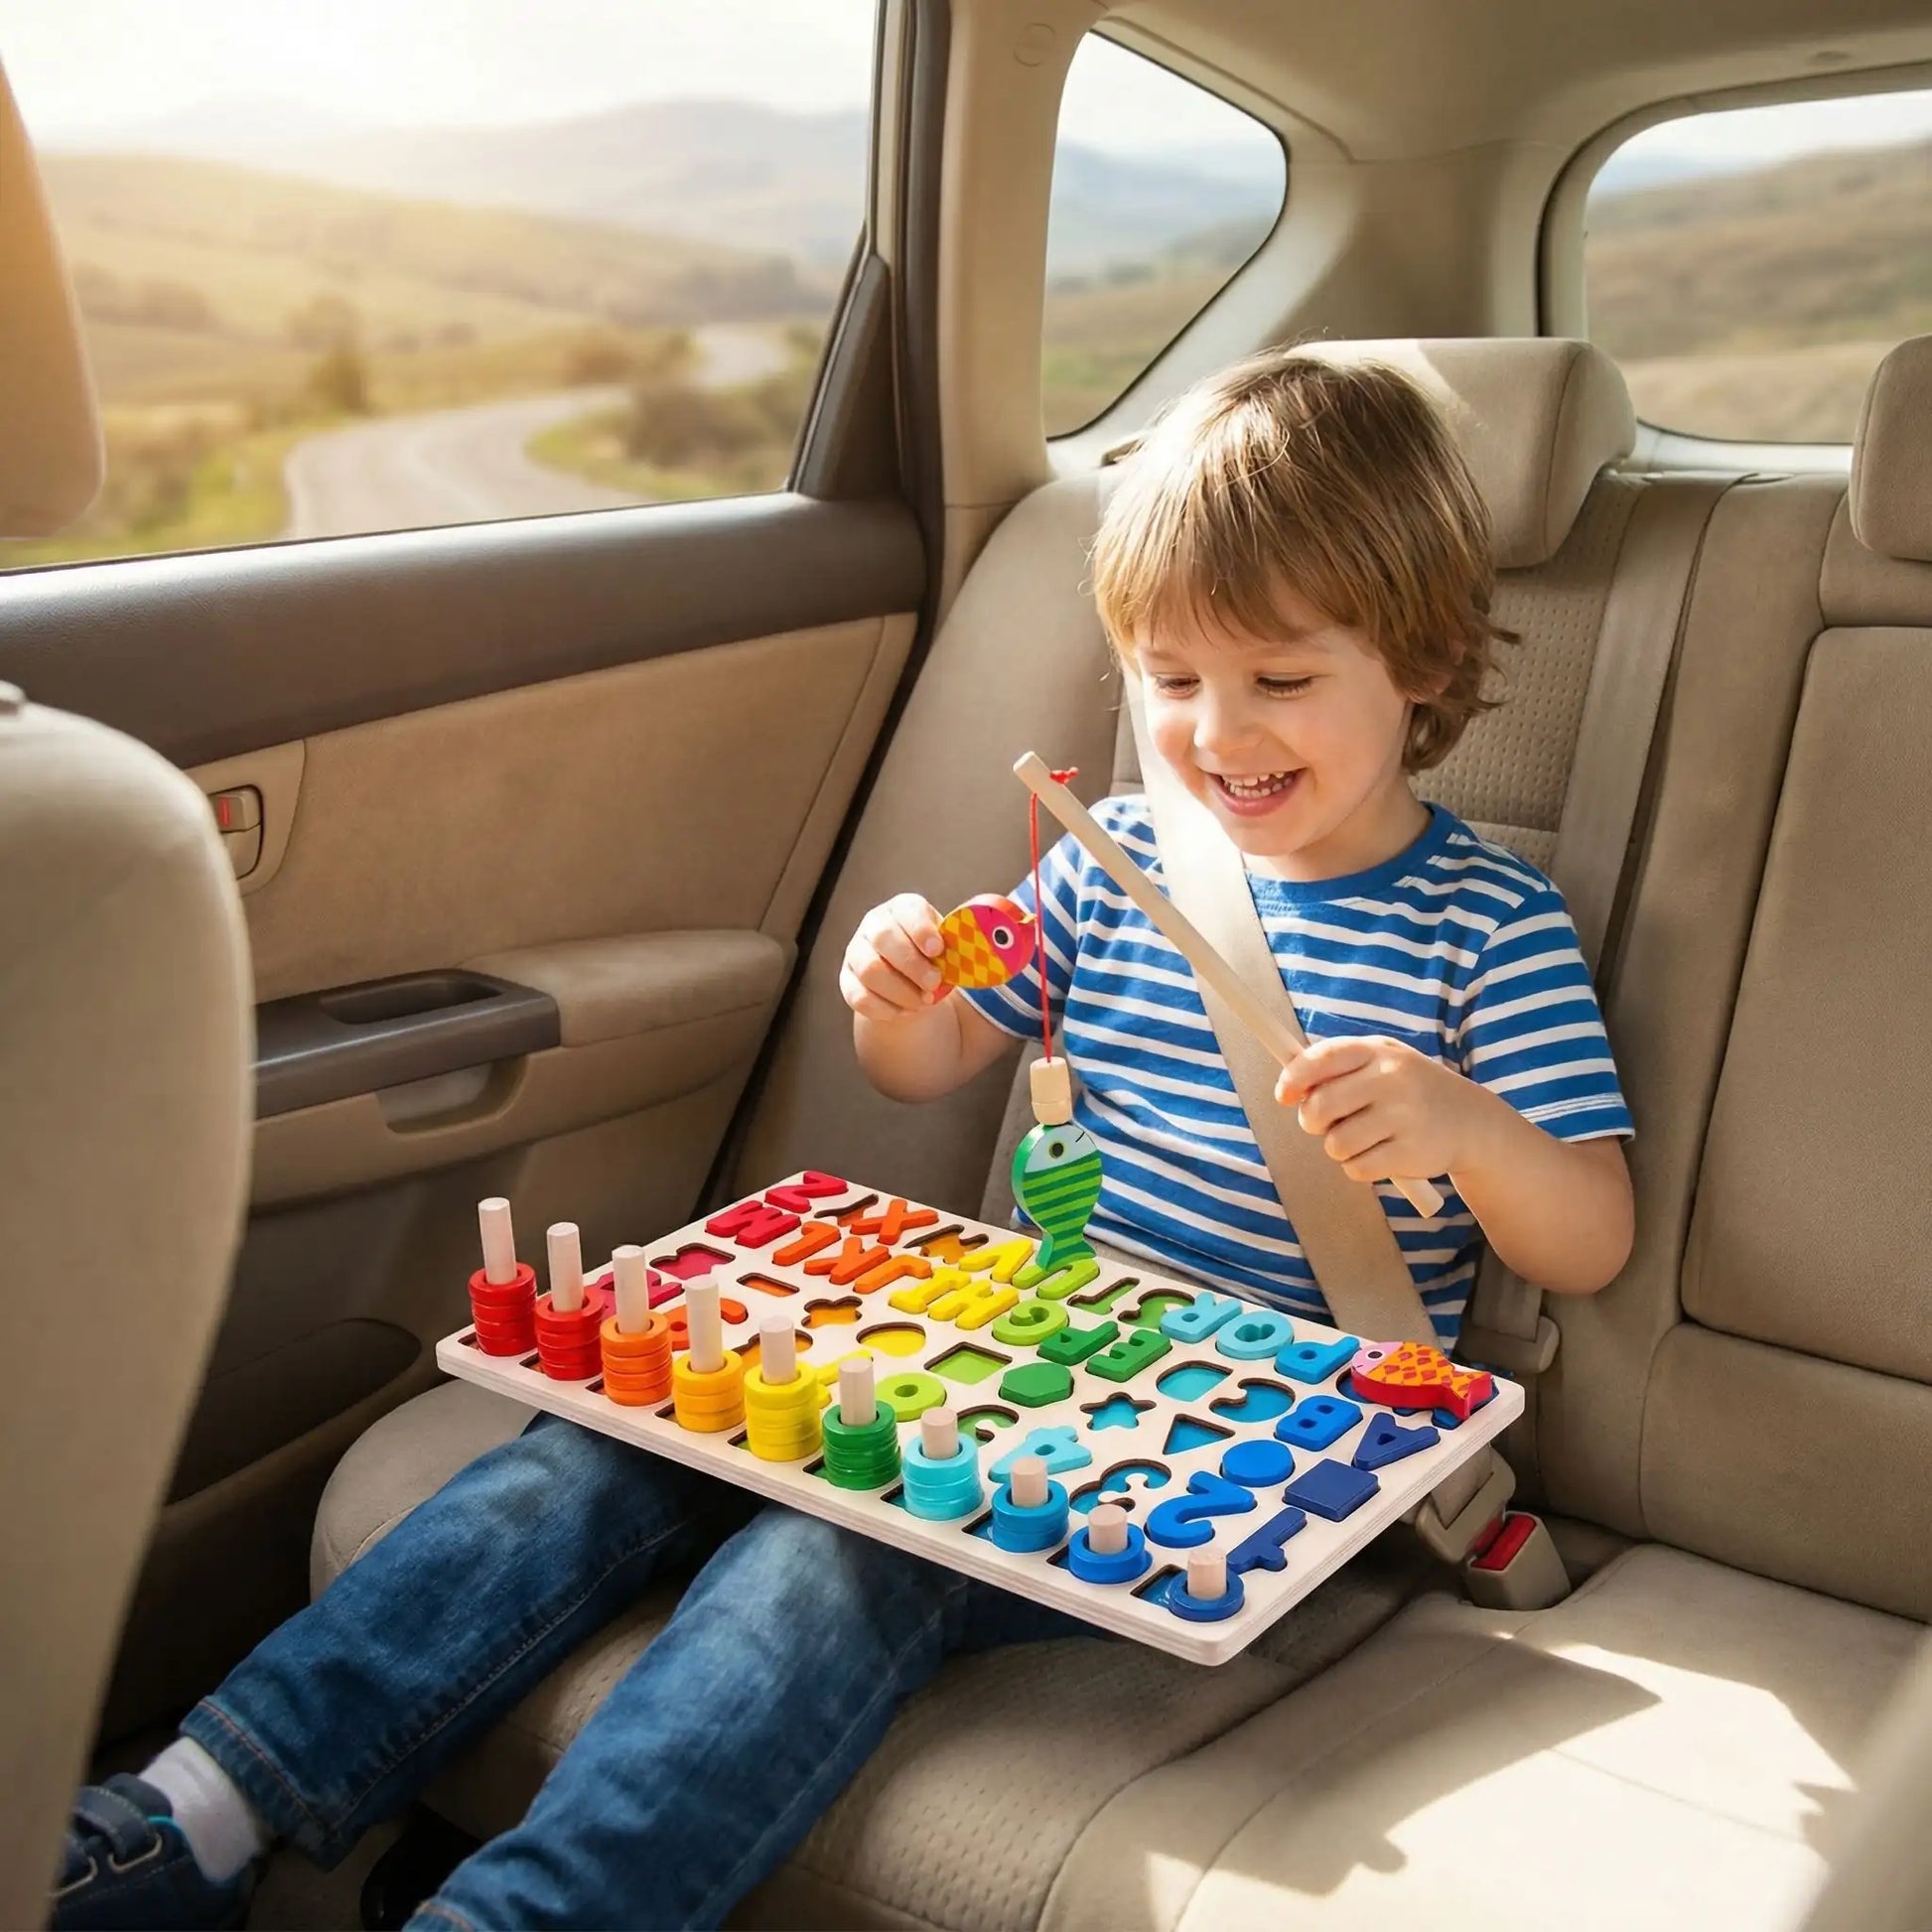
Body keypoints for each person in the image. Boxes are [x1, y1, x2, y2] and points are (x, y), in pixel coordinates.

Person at [54, 351, 1632, 1932]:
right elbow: (924, 1057)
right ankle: (192, 1813)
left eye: (1279, 681)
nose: (1217, 731)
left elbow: (1587, 1232)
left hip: (1236, 1446)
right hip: (1008, 1337)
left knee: (835, 1556)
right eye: (1169, 678)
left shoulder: (1489, 928)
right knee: (611, 1441)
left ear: (1418, 662)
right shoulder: (1110, 863)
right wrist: (895, 977)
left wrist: (1460, 1122)